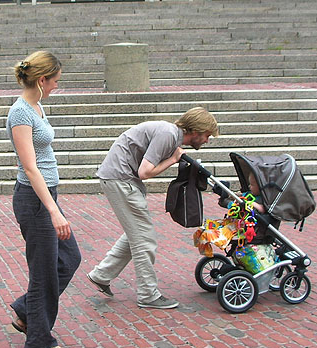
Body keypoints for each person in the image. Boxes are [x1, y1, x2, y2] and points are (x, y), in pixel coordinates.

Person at [87, 107, 219, 309]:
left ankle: (101, 275)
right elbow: (145, 172)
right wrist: (173, 159)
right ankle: (148, 294)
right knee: (144, 239)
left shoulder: (170, 134)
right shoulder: (168, 134)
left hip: (117, 177)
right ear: (197, 131)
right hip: (121, 179)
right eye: (207, 135)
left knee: (137, 235)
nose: (207, 140)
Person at [7, 51, 81, 348]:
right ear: (41, 80)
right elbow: (30, 167)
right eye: (55, 82)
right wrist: (53, 211)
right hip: (35, 201)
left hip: (45, 196)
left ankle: (27, 310)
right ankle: (39, 340)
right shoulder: (21, 113)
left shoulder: (36, 107)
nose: (56, 87)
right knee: (44, 272)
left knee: (69, 258)